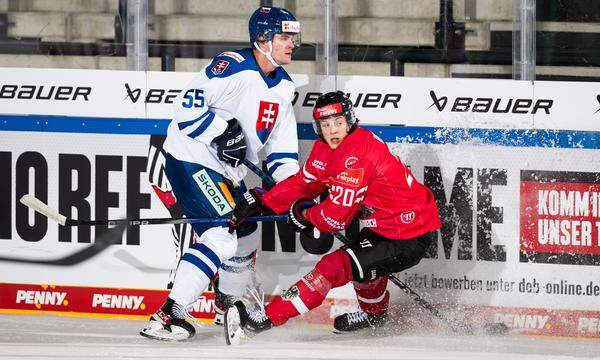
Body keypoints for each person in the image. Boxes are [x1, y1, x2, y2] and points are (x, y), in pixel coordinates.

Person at [225, 91, 442, 344]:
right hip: (386, 227)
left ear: (350, 121)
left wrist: (303, 214)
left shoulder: (356, 156)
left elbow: (334, 219)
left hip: (408, 234)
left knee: (332, 267)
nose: (333, 130)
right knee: (363, 265)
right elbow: (305, 184)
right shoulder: (326, 148)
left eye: (338, 122)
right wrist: (264, 200)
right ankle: (375, 316)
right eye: (326, 125)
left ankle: (259, 322)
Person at [140, 6, 301, 341]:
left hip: (228, 172)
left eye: (293, 37)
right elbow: (186, 111)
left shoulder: (284, 88)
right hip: (191, 159)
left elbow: (282, 156)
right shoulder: (230, 67)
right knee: (219, 236)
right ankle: (168, 316)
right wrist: (222, 130)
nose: (292, 43)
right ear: (262, 39)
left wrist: (298, 196)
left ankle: (226, 304)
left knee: (246, 236)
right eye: (284, 37)